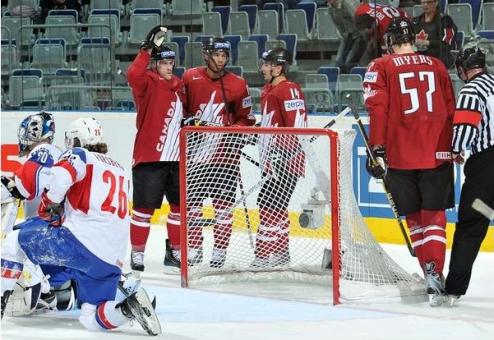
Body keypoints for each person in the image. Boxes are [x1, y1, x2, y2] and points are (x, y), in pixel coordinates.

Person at [1, 117, 161, 335]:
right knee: (91, 318)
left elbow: (61, 177)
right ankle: (125, 310)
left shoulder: (79, 154)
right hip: (111, 258)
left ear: (76, 139)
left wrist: (49, 204)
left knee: (13, 241)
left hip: (78, 243)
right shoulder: (121, 169)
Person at [362, 17, 456, 306]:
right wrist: (453, 144)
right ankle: (435, 273)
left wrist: (376, 147)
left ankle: (428, 270)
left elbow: (378, 109)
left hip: (400, 153)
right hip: (437, 150)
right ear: (415, 38)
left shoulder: (380, 66)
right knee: (434, 214)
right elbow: (451, 107)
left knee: (414, 215)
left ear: (390, 40)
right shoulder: (438, 65)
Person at [182, 37, 256, 268]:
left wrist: (237, 130)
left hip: (226, 155)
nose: (221, 59)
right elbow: (180, 112)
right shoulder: (190, 78)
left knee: (223, 207)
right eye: (217, 55)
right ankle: (194, 248)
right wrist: (188, 122)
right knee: (192, 205)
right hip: (196, 154)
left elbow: (248, 118)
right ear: (206, 55)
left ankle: (219, 250)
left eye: (224, 55)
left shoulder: (237, 83)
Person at [127, 25, 184, 275]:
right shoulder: (147, 84)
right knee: (143, 210)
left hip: (176, 160)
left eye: (171, 62)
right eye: (164, 62)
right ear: (155, 65)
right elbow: (132, 74)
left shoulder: (180, 88)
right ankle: (137, 251)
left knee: (179, 209)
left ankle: (175, 251)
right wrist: (146, 50)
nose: (169, 66)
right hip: (150, 157)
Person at [445, 47, 494, 306]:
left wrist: (456, 150)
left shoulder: (472, 90)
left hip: (486, 172)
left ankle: (453, 289)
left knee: (472, 225)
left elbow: (464, 128)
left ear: (463, 68)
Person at [252, 48, 307, 267]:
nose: (263, 68)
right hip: (273, 160)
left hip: (284, 160)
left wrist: (284, 154)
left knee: (267, 205)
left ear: (278, 67)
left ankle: (262, 257)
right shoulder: (270, 89)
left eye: (267, 64)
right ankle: (282, 254)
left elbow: (297, 127)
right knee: (277, 206)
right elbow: (273, 122)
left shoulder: (288, 89)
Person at [413, 0, 457, 69]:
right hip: (420, 62)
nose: (425, 5)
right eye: (423, 2)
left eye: (429, 2)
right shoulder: (416, 21)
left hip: (440, 62)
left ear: (436, 3)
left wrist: (427, 42)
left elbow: (446, 43)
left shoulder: (445, 20)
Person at [327, 0, 366, 73]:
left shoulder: (347, 3)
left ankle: (352, 79)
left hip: (359, 35)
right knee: (339, 62)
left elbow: (359, 19)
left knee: (349, 61)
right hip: (347, 36)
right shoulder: (330, 8)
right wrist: (345, 36)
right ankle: (341, 80)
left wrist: (360, 35)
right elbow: (337, 25)